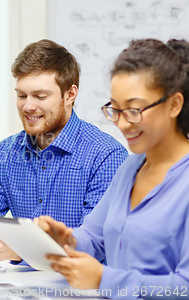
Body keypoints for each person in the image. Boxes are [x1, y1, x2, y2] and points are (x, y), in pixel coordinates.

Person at [36, 39, 189, 298]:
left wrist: (104, 279)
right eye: (115, 109)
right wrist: (66, 241)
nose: (122, 123)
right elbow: (95, 237)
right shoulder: (130, 168)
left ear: (174, 104)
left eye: (133, 109)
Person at [0, 39, 128, 261]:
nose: (28, 106)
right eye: (21, 95)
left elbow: (100, 244)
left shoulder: (106, 155)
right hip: (23, 287)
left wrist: (24, 250)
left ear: (70, 95)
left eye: (40, 96)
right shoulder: (5, 153)